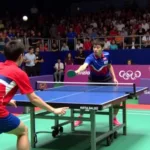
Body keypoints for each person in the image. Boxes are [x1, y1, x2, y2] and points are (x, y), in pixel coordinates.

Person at [0, 40, 69, 150]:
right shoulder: (19, 73)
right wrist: (54, 110)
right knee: (23, 131)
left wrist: (6, 100)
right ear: (21, 56)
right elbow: (33, 98)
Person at [74, 40, 120, 127]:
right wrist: (78, 70)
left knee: (118, 100)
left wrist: (114, 77)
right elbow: (84, 66)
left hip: (106, 80)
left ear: (102, 48)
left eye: (98, 47)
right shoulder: (90, 58)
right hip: (93, 81)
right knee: (85, 100)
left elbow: (110, 65)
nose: (95, 49)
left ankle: (114, 118)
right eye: (94, 47)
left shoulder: (107, 55)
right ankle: (80, 117)